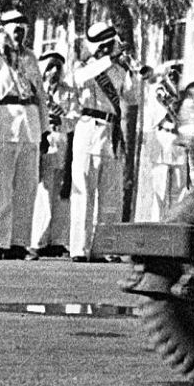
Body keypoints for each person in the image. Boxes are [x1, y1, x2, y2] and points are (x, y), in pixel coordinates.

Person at [0, 8, 45, 260]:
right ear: (4, 31)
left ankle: (19, 243)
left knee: (27, 189)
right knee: (2, 188)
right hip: (5, 122)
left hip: (31, 126)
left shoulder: (32, 58)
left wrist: (45, 129)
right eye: (13, 27)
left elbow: (41, 96)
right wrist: (8, 60)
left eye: (22, 27)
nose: (19, 31)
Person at [70, 23, 136, 261]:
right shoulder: (84, 67)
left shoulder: (118, 69)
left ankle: (108, 248)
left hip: (111, 132)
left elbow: (132, 96)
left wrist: (131, 69)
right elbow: (78, 80)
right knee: (84, 193)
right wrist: (110, 58)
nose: (111, 48)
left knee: (111, 196)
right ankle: (80, 247)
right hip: (89, 130)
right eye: (106, 45)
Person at [29, 50, 74, 257]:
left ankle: (58, 240)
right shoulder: (36, 89)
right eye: (51, 67)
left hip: (62, 144)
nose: (54, 71)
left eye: (58, 67)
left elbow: (75, 117)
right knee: (43, 194)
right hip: (45, 145)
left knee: (61, 195)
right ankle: (39, 239)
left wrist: (62, 121)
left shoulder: (67, 92)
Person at [134, 61, 189, 223]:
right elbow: (156, 116)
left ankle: (175, 228)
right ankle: (155, 227)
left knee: (179, 191)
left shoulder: (185, 93)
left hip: (179, 141)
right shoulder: (158, 90)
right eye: (170, 74)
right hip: (162, 139)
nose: (173, 76)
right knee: (159, 192)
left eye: (176, 74)